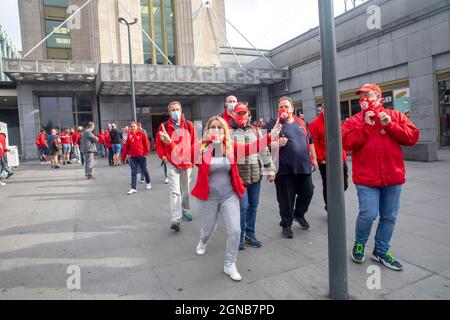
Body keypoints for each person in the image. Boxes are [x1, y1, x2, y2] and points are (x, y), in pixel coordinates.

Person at [159, 115, 281, 281]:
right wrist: (169, 142)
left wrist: (271, 134)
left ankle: (229, 263)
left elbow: (253, 147)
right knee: (209, 229)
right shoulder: (201, 147)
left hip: (229, 195)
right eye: (212, 127)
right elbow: (181, 155)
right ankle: (203, 241)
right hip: (208, 197)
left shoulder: (230, 148)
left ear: (224, 131)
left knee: (236, 230)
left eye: (219, 127)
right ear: (208, 131)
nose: (215, 130)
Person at [342, 84, 419, 271]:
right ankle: (360, 244)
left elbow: (412, 137)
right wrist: (365, 127)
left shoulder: (395, 116)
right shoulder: (354, 121)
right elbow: (345, 142)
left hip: (392, 177)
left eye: (368, 95)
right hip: (366, 179)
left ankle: (381, 250)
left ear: (379, 97)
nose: (364, 99)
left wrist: (390, 125)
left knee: (389, 216)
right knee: (368, 214)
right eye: (361, 97)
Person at [267, 96, 318, 239]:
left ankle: (299, 214)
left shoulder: (301, 122)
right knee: (286, 199)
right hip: (283, 169)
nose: (284, 109)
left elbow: (310, 140)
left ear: (292, 109)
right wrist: (275, 143)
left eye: (286, 107)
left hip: (303, 166)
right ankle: (286, 224)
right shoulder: (272, 124)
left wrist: (314, 158)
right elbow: (261, 145)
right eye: (281, 107)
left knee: (308, 191)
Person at [229, 104, 276, 250]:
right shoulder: (229, 132)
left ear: (249, 115)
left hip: (255, 176)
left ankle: (250, 234)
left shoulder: (256, 131)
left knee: (253, 207)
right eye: (239, 113)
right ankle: (240, 236)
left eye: (245, 113)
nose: (242, 116)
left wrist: (270, 169)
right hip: (239, 178)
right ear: (234, 115)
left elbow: (264, 150)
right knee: (242, 208)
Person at [155, 101, 196, 231]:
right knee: (174, 191)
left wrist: (194, 160)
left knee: (185, 189)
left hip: (187, 163)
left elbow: (195, 143)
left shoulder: (189, 125)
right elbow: (158, 144)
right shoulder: (164, 126)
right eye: (173, 109)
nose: (175, 111)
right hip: (172, 164)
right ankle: (175, 218)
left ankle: (186, 210)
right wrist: (163, 156)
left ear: (181, 110)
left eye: (177, 109)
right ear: (169, 112)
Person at [308, 104, 349, 211]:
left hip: (340, 159)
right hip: (326, 162)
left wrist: (344, 152)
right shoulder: (314, 124)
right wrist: (321, 159)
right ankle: (330, 207)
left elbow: (342, 138)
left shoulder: (337, 121)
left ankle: (334, 201)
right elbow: (313, 144)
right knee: (328, 186)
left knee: (344, 185)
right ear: (321, 110)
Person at [121, 121, 152, 194]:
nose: (132, 128)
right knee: (133, 172)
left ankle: (148, 182)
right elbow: (126, 148)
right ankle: (133, 188)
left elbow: (147, 144)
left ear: (137, 127)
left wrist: (146, 154)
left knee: (144, 170)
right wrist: (123, 158)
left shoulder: (142, 134)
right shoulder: (129, 136)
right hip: (133, 157)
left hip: (141, 156)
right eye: (131, 127)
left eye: (134, 126)